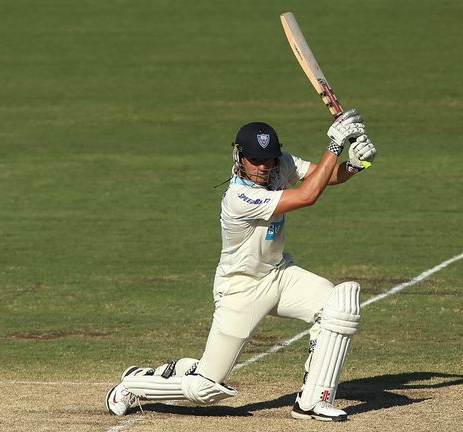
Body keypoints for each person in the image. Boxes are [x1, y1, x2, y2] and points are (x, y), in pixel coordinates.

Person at [105, 109, 377, 422]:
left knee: (338, 306)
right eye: (255, 160)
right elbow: (307, 196)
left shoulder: (279, 165)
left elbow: (322, 177)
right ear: (239, 157)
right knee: (205, 389)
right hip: (241, 288)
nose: (263, 167)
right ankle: (134, 384)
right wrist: (334, 145)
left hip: (279, 275)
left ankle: (313, 401)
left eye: (268, 159)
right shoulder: (239, 197)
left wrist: (354, 165)